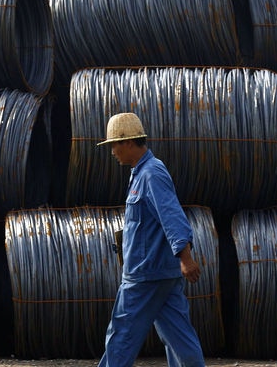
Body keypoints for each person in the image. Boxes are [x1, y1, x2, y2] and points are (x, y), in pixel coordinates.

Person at [96, 112, 205, 367]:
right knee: (179, 336)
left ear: (129, 142)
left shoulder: (151, 174)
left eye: (114, 144)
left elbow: (172, 216)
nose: (113, 151)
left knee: (122, 334)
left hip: (145, 275)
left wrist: (186, 259)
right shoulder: (141, 172)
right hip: (161, 273)